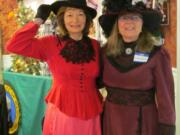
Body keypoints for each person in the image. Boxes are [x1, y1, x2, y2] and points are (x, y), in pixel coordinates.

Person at [6, 0, 103, 135]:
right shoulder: (50, 43)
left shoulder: (95, 46)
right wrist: (38, 20)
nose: (75, 20)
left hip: (91, 110)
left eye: (80, 14)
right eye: (69, 15)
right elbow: (13, 45)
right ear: (62, 18)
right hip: (62, 110)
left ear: (86, 18)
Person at [98, 0, 175, 135]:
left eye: (135, 18)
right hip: (111, 120)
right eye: (124, 18)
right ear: (117, 24)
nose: (129, 22)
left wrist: (167, 127)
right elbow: (92, 83)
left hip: (143, 123)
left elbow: (166, 97)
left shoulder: (157, 54)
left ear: (142, 24)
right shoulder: (105, 52)